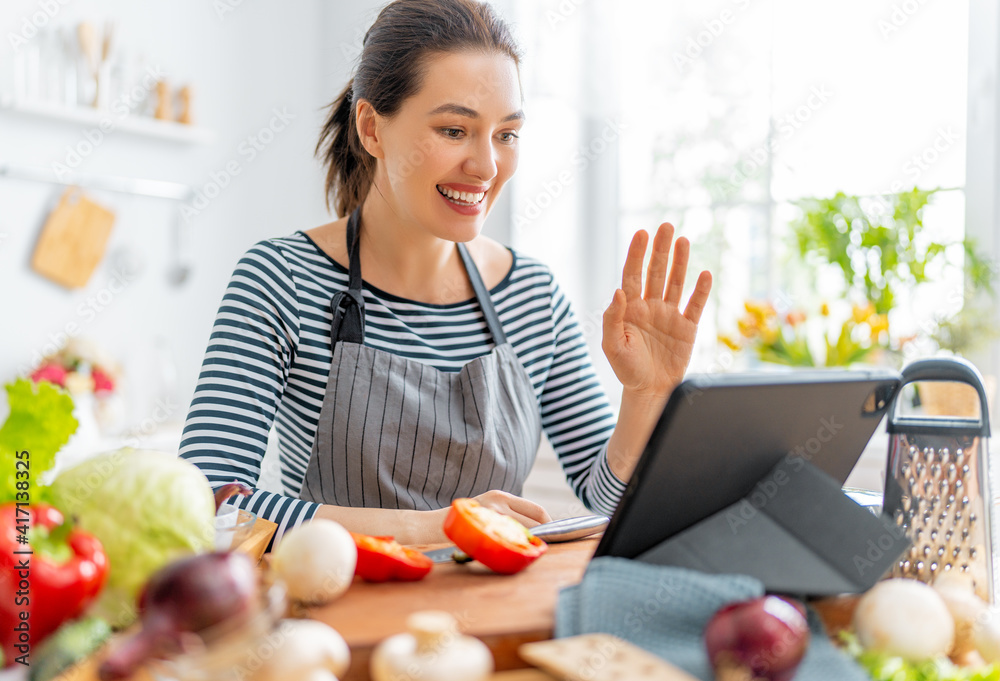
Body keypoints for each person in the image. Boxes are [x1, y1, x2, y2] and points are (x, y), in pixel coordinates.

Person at [179, 0, 712, 546]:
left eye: (506, 134)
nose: (485, 166)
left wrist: (646, 395)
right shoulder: (281, 280)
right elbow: (211, 503)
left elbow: (605, 500)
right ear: (372, 129)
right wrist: (430, 527)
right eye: (455, 130)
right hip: (329, 617)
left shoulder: (531, 295)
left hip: (492, 620)